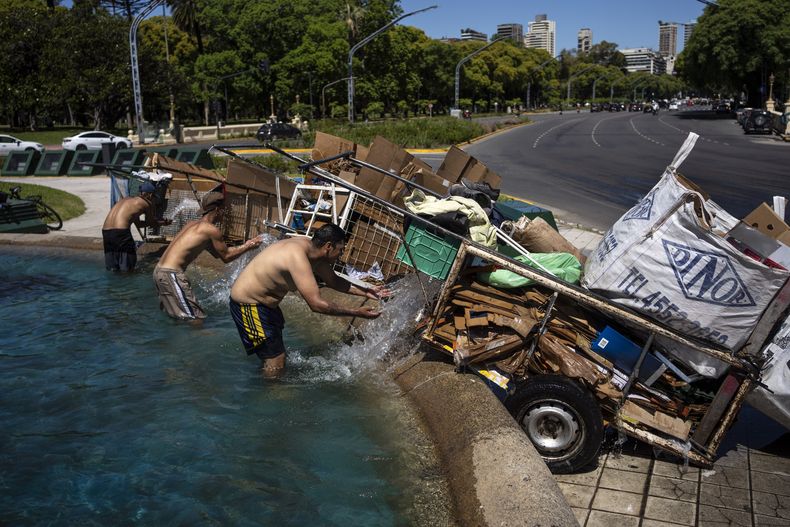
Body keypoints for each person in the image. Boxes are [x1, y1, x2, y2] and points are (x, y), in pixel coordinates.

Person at [229, 223, 391, 377]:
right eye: (340, 250)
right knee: (276, 360)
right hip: (248, 306)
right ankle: (270, 398)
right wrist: (356, 312)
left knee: (275, 358)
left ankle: (269, 380)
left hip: (266, 307)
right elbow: (316, 304)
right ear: (328, 246)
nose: (341, 255)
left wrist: (366, 291)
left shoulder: (312, 251)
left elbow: (333, 280)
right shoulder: (298, 257)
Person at [153, 192, 262, 321]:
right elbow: (226, 257)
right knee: (196, 319)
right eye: (224, 209)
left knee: (176, 318)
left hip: (159, 271)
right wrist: (249, 245)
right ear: (217, 209)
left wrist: (241, 248)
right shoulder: (211, 230)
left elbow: (218, 254)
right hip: (171, 275)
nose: (225, 213)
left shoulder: (191, 225)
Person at [102, 181, 170, 272]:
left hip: (106, 232)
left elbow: (140, 224)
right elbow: (151, 222)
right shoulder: (145, 203)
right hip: (121, 232)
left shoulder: (127, 200)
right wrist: (163, 222)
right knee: (128, 266)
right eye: (154, 198)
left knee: (113, 267)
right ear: (150, 195)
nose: (154, 200)